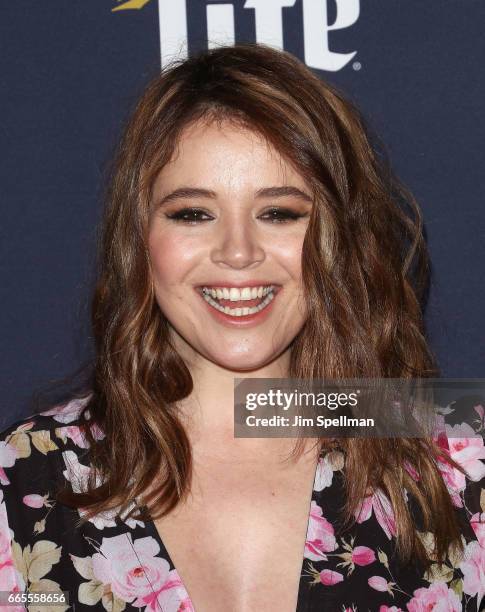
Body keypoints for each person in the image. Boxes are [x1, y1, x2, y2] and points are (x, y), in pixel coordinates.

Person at [0, 43, 484, 612]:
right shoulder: (26, 476)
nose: (238, 252)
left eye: (279, 212)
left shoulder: (459, 455)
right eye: (193, 213)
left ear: (338, 236)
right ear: (138, 240)